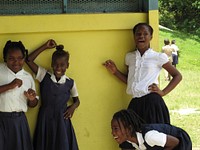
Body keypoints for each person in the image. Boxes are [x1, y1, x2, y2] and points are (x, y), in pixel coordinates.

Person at [103, 23, 182, 124]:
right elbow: (130, 80)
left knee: (153, 136)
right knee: (135, 136)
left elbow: (177, 76)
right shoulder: (129, 57)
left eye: (145, 34)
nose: (141, 36)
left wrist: (163, 92)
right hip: (135, 103)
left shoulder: (158, 57)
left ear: (151, 37)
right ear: (134, 36)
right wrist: (115, 72)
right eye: (138, 34)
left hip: (152, 102)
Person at [26, 39, 80, 150]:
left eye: (62, 65)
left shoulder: (70, 82)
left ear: (67, 65)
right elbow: (29, 59)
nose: (58, 68)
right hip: (46, 119)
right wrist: (44, 47)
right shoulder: (44, 75)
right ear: (51, 64)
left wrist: (72, 108)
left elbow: (77, 100)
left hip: (62, 120)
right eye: (55, 65)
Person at [0, 40, 38, 150]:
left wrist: (32, 99)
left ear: (24, 58)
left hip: (19, 122)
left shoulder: (27, 77)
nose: (16, 62)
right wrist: (9, 86)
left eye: (20, 58)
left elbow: (33, 104)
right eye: (11, 58)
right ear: (5, 58)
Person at [111, 109, 192, 150]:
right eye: (112, 129)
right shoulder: (129, 141)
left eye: (116, 129)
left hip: (180, 142)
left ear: (129, 128)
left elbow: (175, 142)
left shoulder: (149, 136)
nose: (113, 133)